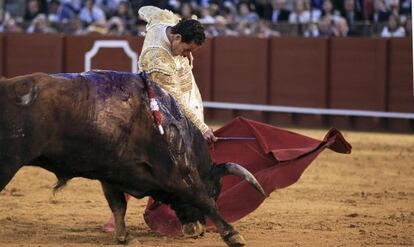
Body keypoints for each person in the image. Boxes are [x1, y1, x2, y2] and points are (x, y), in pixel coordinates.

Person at [103, 5, 217, 232]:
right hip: (164, 107)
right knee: (154, 158)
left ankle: (165, 211)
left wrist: (183, 19)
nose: (187, 54)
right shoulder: (158, 59)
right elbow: (176, 101)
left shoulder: (162, 22)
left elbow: (146, 9)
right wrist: (202, 127)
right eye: (186, 49)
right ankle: (118, 217)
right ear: (175, 37)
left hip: (189, 94)